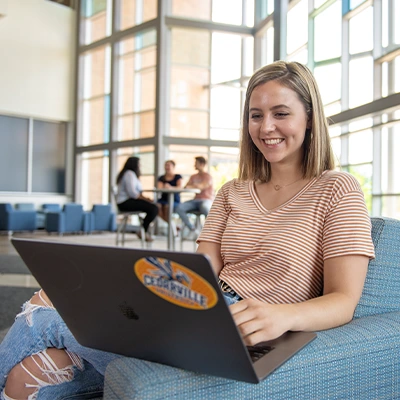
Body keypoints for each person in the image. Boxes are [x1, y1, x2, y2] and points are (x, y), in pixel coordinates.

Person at [0, 61, 375, 399]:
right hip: (198, 311)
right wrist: (144, 291)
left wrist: (283, 316)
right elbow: (198, 272)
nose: (266, 127)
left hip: (250, 329)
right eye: (256, 115)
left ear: (310, 118)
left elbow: (343, 300)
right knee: (28, 375)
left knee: (41, 316)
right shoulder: (233, 191)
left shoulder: (337, 189)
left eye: (281, 113)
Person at [116, 156, 158, 242]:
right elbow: (133, 193)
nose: (140, 166)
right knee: (154, 208)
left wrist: (145, 199)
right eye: (139, 164)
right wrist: (145, 199)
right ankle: (143, 230)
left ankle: (143, 230)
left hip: (128, 201)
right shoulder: (129, 174)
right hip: (125, 203)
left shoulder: (131, 174)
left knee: (153, 207)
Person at [175, 156, 214, 240]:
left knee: (205, 208)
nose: (194, 165)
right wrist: (195, 185)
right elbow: (186, 187)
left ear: (202, 164)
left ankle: (211, 231)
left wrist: (193, 185)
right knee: (179, 208)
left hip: (206, 199)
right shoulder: (193, 176)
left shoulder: (208, 176)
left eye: (196, 163)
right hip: (195, 200)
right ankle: (192, 228)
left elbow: (202, 187)